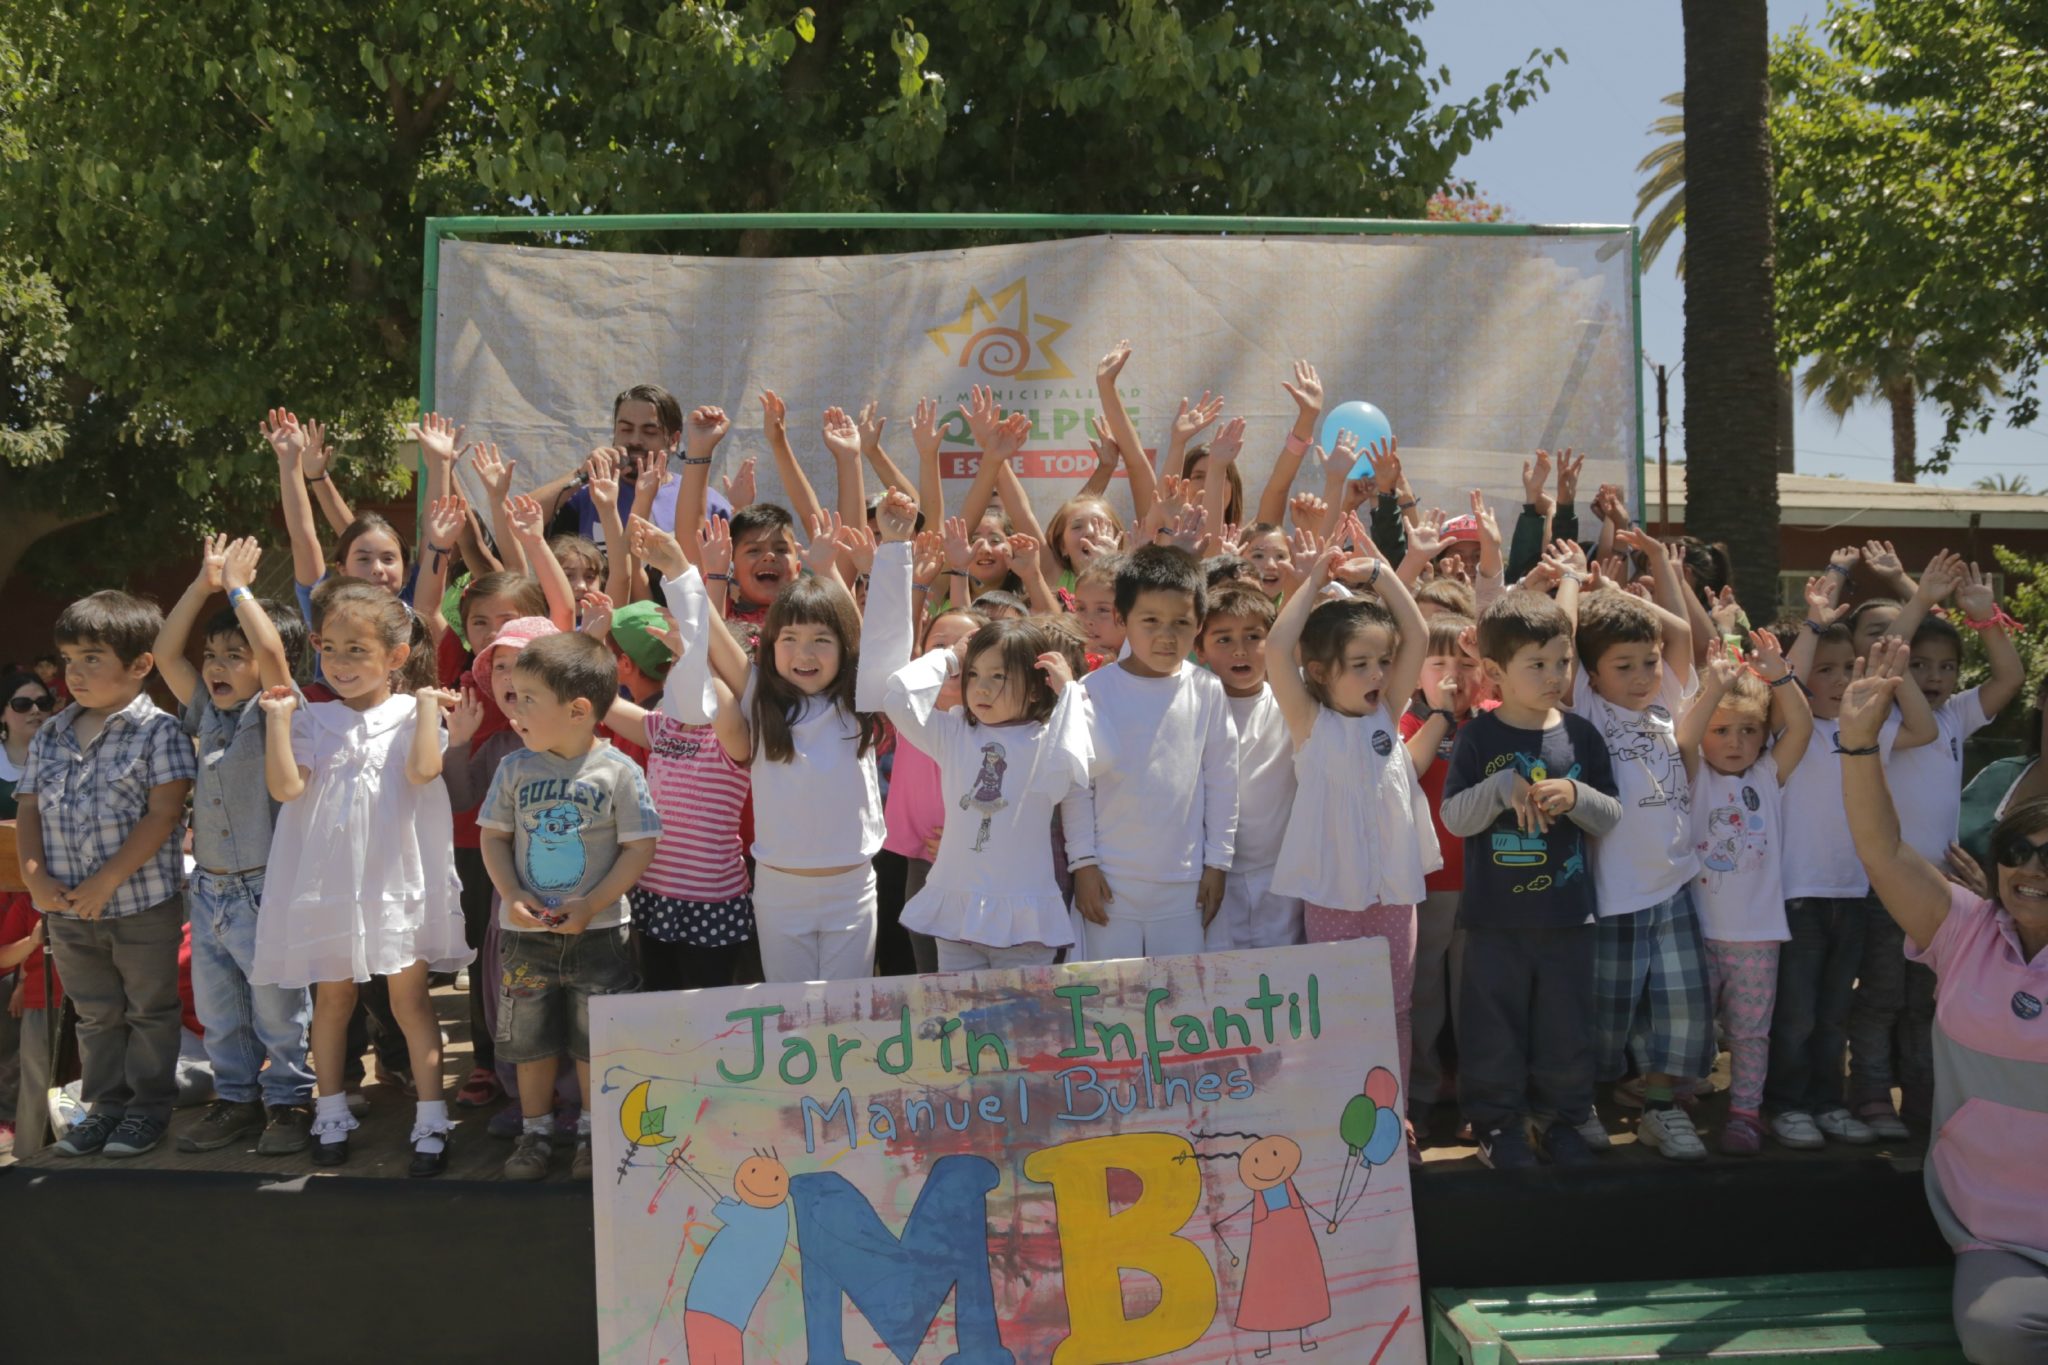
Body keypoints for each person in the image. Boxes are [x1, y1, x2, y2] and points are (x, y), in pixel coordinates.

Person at [1838, 663, 2048, 1365]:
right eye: (2018, 850)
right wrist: (1860, 746)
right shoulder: (1965, 929)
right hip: (2000, 1232)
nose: (2032, 868)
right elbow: (1882, 850)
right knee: (1997, 1334)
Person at [250, 580, 474, 1175]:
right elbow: (287, 788)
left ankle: (431, 1114)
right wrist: (277, 721)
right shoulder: (312, 718)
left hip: (396, 881)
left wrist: (427, 706)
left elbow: (426, 771)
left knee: (409, 998)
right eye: (331, 649)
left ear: (395, 657)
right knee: (333, 998)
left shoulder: (411, 711)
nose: (342, 663)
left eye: (358, 650)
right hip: (329, 885)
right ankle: (330, 1110)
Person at [644, 513, 885, 983]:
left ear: (847, 647)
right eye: (789, 639)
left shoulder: (859, 703)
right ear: (770, 646)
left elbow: (878, 641)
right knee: (790, 1015)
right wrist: (677, 569)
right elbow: (713, 629)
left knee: (846, 1013)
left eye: (822, 640)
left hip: (852, 889)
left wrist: (869, 559)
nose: (805, 654)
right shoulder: (760, 701)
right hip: (778, 889)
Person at [857, 493, 1092, 972]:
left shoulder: (1047, 738)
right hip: (957, 911)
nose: (981, 689)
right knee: (957, 1028)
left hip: (1023, 919)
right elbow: (897, 695)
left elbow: (1073, 771)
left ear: (1035, 688)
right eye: (975, 675)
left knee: (1022, 1032)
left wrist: (1069, 695)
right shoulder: (955, 734)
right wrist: (950, 656)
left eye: (999, 677)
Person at [1441, 590, 1621, 1169]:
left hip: (1569, 919)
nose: (1554, 676)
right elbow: (1453, 818)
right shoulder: (1477, 737)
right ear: (1494, 671)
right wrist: (1498, 789)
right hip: (1493, 923)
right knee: (1493, 1030)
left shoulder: (1582, 736)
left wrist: (1576, 795)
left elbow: (1610, 816)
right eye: (1536, 664)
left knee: (1565, 1030)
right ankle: (1499, 1127)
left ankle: (1563, 1121)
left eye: (1561, 662)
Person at [14, 591, 196, 1158]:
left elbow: (164, 815)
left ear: (141, 665)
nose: (75, 672)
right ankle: (103, 1109)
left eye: (92, 657)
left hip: (141, 907)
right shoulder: (51, 733)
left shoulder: (158, 732)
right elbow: (28, 809)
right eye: (69, 658)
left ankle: (147, 1111)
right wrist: (36, 880)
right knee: (95, 1014)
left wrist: (107, 881)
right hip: (67, 911)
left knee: (149, 1011)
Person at [152, 534, 317, 1156]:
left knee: (278, 1012)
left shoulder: (281, 708)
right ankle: (237, 1100)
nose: (216, 666)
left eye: (233, 655)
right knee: (222, 1014)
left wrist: (241, 590)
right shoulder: (207, 714)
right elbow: (167, 651)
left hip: (265, 887)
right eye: (213, 654)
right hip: (212, 888)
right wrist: (205, 583)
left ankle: (289, 1103)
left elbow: (275, 652)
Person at [1848, 555, 2022, 1139]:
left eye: (1947, 666)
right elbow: (1887, 658)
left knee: (1928, 1004)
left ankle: (1923, 1106)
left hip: (1944, 894)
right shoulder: (1888, 721)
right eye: (1918, 663)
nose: (1934, 676)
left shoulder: (1954, 717)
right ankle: (1870, 1096)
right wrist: (1917, 600)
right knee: (1879, 999)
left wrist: (1984, 619)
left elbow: (2008, 680)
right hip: (1886, 890)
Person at [1267, 545, 1439, 1132]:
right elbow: (1274, 648)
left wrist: (1379, 572)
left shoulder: (1389, 713)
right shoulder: (1309, 721)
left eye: (1381, 662)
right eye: (1359, 664)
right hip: (1332, 896)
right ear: (1319, 672)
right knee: (1338, 1014)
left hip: (1394, 893)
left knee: (1394, 1011)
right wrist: (1314, 577)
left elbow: (1415, 634)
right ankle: (1341, 1124)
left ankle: (1396, 1122)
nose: (1377, 674)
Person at [1558, 530, 1714, 1161]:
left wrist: (1622, 591)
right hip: (1613, 896)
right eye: (1624, 666)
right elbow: (1564, 649)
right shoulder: (1588, 711)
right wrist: (1577, 583)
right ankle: (1584, 1105)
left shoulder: (1667, 702)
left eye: (1647, 663)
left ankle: (1659, 1108)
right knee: (1608, 1014)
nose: (1645, 674)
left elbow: (1679, 634)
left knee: (1680, 1006)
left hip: (1675, 886)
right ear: (1592, 675)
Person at [480, 632, 659, 1181]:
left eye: (528, 697)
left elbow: (640, 847)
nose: (515, 707)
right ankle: (535, 1134)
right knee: (529, 1043)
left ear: (579, 710)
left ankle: (590, 1133)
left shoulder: (620, 773)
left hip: (600, 934)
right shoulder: (514, 769)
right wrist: (512, 896)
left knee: (594, 1042)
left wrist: (593, 903)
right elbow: (493, 838)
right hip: (526, 937)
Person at [1773, 578, 1936, 1152]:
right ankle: (1786, 1105)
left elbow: (1924, 728)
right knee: (1795, 1017)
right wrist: (1812, 628)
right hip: (1796, 897)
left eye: (1850, 668)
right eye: (1829, 669)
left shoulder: (1864, 731)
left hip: (1854, 897)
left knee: (1834, 1014)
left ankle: (1825, 1102)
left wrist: (1894, 676)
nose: (1842, 679)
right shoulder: (1789, 733)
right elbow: (1783, 682)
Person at [1062, 545, 1239, 961]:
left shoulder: (1208, 691)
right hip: (1110, 884)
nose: (1166, 635)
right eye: (1151, 621)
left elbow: (1222, 780)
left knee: (1182, 1006)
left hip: (1186, 884)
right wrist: (1083, 864)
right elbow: (1077, 785)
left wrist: (1218, 864)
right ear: (1122, 620)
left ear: (1198, 625)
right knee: (1108, 1004)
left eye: (1181, 622)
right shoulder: (1092, 690)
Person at [1674, 632, 1812, 1156]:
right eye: (1722, 730)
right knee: (1690, 1030)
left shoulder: (1768, 774)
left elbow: (1798, 725)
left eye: (1749, 730)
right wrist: (1714, 688)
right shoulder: (1692, 775)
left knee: (1751, 1033)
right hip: (1695, 930)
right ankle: (1680, 1103)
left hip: (1757, 935)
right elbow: (1685, 740)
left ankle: (1745, 1113)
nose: (1735, 741)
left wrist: (1778, 674)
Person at [578, 598, 756, 994]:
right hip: (653, 893)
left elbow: (724, 711)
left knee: (709, 1008)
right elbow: (604, 705)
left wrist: (694, 656)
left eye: (693, 669)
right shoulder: (665, 727)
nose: (683, 676)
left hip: (711, 903)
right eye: (677, 668)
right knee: (659, 1001)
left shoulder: (735, 738)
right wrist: (591, 642)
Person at [1400, 612, 1480, 1125]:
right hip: (1426, 887)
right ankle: (1423, 1092)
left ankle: (1479, 1094)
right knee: (1423, 996)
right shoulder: (1406, 723)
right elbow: (1406, 770)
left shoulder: (1497, 717)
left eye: (1466, 662)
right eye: (1438, 662)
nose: (1453, 673)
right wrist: (1441, 718)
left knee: (1476, 998)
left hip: (1485, 889)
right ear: (1414, 674)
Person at [1195, 583, 1303, 951]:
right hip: (1211, 878)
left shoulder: (1294, 702)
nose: (1240, 650)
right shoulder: (1192, 706)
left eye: (1254, 636)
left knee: (1284, 987)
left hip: (1282, 876)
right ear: (1200, 648)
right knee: (1220, 988)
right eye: (1223, 639)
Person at [532, 384, 734, 543]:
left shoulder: (704, 501)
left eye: (649, 432)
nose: (635, 440)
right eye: (626, 430)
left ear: (673, 441)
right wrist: (579, 474)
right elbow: (513, 520)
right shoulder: (588, 495)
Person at [0, 668, 56, 816]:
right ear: (2, 714)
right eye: (22, 704)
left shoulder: (71, 755)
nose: (35, 710)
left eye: (43, 702)